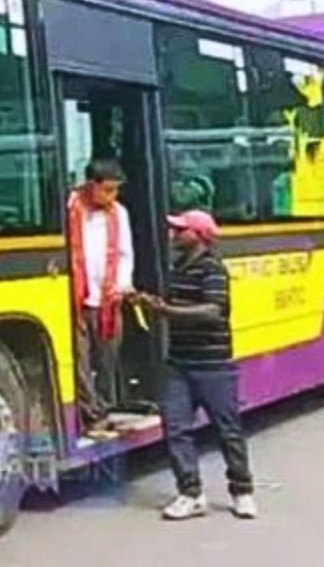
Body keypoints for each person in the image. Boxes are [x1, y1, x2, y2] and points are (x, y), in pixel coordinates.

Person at [134, 210, 256, 520]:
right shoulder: (177, 269)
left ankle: (242, 491)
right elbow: (174, 307)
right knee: (176, 429)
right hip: (179, 363)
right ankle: (190, 493)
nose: (174, 235)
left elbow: (212, 311)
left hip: (214, 365)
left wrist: (166, 311)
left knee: (227, 431)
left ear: (199, 236)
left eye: (181, 230)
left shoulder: (213, 269)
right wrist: (149, 304)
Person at [67, 158, 135, 433]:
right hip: (78, 298)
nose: (112, 196)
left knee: (108, 357)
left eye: (115, 190)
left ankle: (106, 407)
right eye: (107, 190)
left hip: (108, 298)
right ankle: (91, 414)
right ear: (90, 185)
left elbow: (125, 254)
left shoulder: (118, 213)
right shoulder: (71, 207)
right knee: (80, 361)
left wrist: (123, 284)